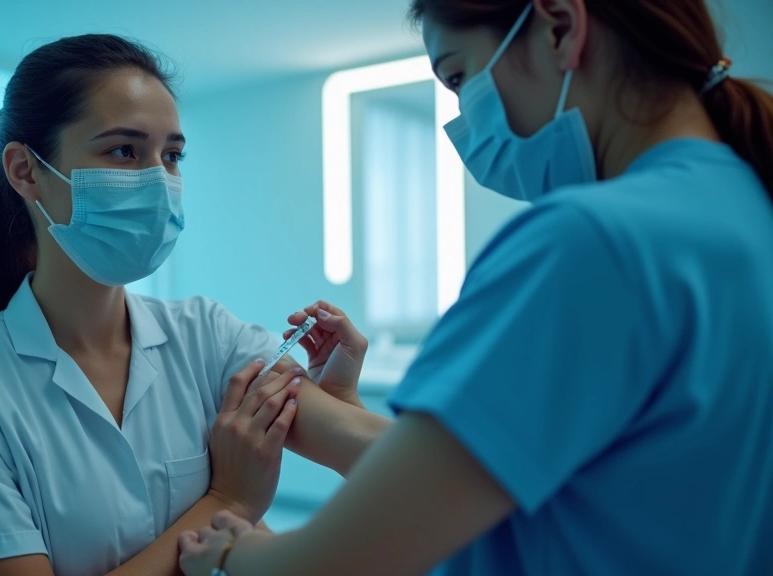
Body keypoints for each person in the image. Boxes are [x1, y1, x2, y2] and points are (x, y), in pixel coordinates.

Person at [177, 0, 773, 574]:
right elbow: (512, 478)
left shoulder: (590, 242)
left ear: (560, 27)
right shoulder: (745, 207)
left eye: (459, 77)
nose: (464, 121)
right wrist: (352, 416)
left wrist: (236, 549)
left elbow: (340, 562)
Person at [0, 35, 389, 576]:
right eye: (123, 150)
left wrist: (345, 406)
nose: (159, 181)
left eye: (172, 156)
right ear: (25, 171)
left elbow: (395, 463)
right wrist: (228, 500)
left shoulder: (209, 336)